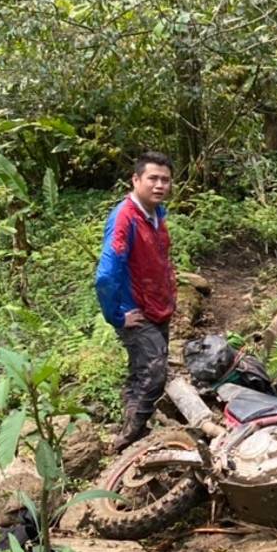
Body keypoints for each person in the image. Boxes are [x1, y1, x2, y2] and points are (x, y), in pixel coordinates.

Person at [96, 152, 177, 453]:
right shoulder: (124, 218)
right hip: (136, 311)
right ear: (136, 179)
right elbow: (106, 275)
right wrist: (116, 316)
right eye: (152, 178)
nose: (159, 185)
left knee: (143, 370)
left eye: (165, 180)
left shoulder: (156, 214)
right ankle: (128, 440)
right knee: (155, 373)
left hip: (158, 307)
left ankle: (132, 423)